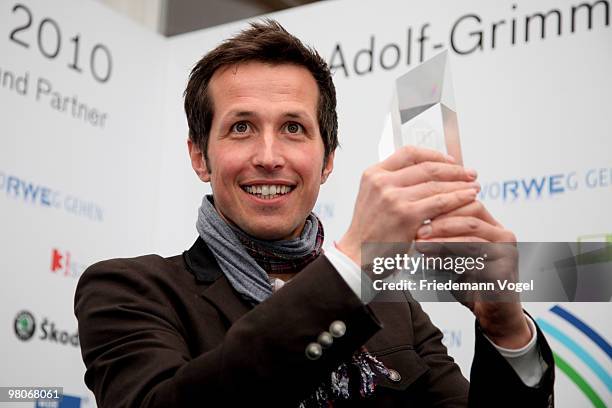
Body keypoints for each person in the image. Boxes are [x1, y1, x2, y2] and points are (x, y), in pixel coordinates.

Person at [74, 19, 554, 407]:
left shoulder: (393, 306)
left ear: (326, 161)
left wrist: (506, 328)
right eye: (241, 127)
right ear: (200, 156)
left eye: (294, 128)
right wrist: (351, 266)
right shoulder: (129, 291)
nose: (268, 155)